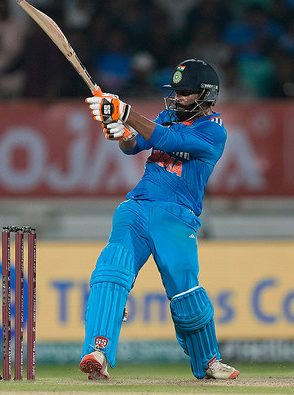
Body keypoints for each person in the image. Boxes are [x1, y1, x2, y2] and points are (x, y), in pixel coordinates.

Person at [79, 59, 239, 380]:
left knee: (185, 295)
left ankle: (208, 362)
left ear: (206, 96)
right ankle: (98, 351)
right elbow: (132, 145)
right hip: (137, 207)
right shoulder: (167, 116)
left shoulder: (213, 132)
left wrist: (126, 113)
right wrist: (120, 130)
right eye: (176, 92)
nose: (177, 99)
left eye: (186, 93)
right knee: (111, 273)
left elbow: (169, 141)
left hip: (177, 218)